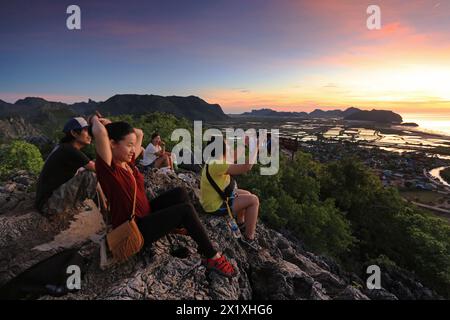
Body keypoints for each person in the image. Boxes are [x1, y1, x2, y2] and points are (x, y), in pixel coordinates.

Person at [90, 114, 236, 278]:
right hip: (134, 228)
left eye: (133, 146)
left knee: (180, 192)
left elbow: (139, 133)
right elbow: (100, 133)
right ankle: (212, 256)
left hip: (146, 214)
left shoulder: (126, 163)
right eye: (129, 145)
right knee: (185, 210)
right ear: (112, 144)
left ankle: (179, 226)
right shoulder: (109, 169)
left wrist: (111, 125)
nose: (133, 150)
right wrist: (95, 120)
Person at [200, 137, 260, 250]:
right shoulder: (218, 164)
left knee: (246, 193)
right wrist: (255, 148)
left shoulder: (215, 160)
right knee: (254, 200)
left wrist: (244, 144)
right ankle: (249, 238)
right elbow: (247, 167)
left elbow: (233, 157)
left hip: (217, 197)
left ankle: (240, 222)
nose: (230, 148)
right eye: (227, 145)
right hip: (215, 206)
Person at [35, 117, 98, 216]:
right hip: (49, 205)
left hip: (45, 201)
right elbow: (99, 169)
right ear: (74, 133)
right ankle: (96, 209)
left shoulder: (63, 147)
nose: (90, 134)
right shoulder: (70, 150)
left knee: (85, 170)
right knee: (91, 174)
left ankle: (78, 204)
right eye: (86, 131)